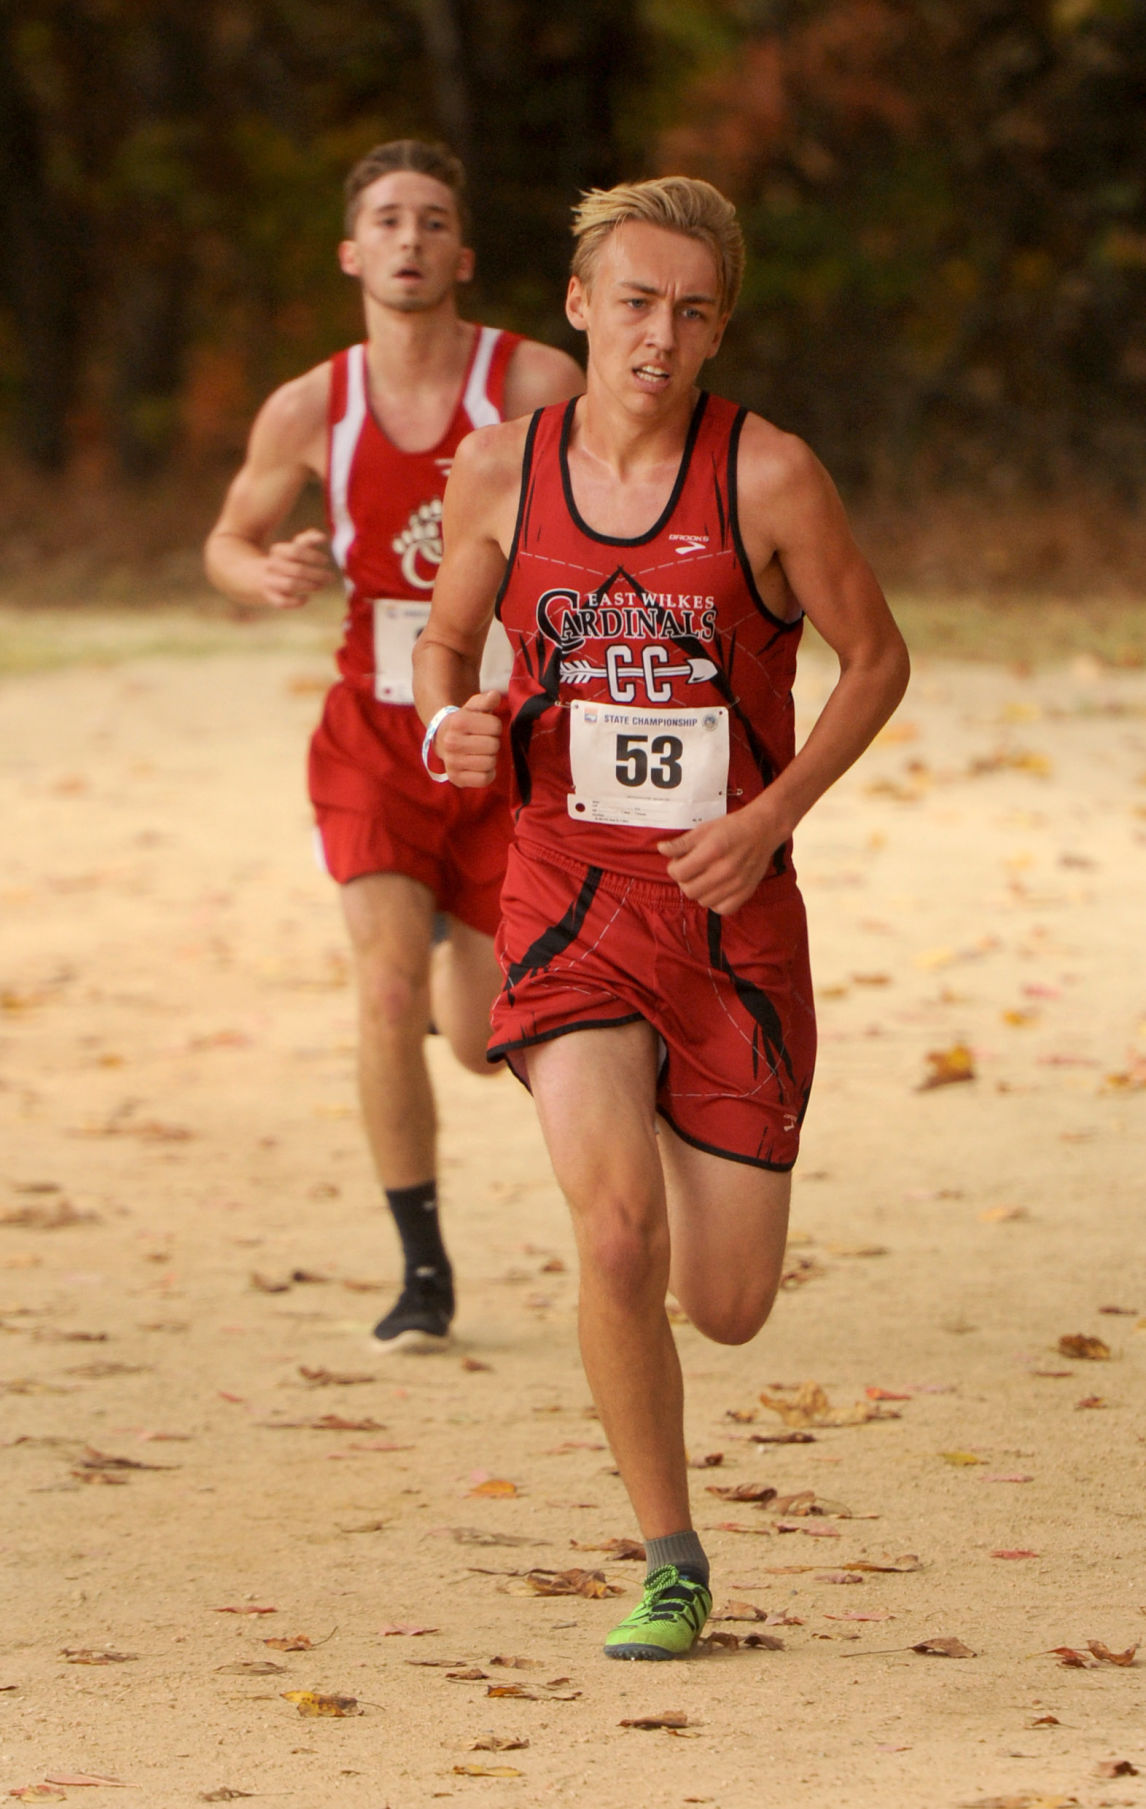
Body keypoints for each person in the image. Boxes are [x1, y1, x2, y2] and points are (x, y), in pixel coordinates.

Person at [413, 175, 910, 1655]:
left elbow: (875, 660)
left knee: (731, 1298)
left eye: (691, 312)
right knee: (615, 1236)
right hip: (566, 894)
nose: (657, 335)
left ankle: (703, 1335)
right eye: (633, 302)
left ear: (716, 329)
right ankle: (672, 1556)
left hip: (730, 916)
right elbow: (448, 635)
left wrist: (766, 820)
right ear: (578, 305)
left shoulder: (768, 477)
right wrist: (452, 717)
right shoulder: (501, 467)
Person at [204, 140, 584, 1351]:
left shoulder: (530, 381)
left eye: (431, 221)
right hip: (376, 735)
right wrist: (265, 569)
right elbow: (226, 536)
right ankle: (422, 1275)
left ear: (462, 255)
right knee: (380, 988)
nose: (410, 239)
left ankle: (440, 961)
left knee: (480, 1042)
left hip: (497, 736)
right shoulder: (313, 404)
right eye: (387, 220)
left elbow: (613, 498)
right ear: (352, 253)